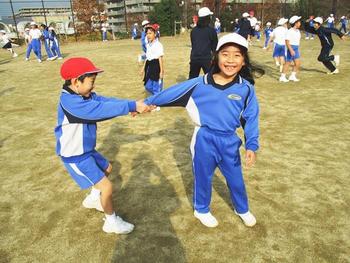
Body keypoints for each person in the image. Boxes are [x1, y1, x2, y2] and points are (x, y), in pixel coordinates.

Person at [144, 33, 263, 228]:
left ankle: (242, 208)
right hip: (204, 140)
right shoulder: (199, 84)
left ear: (243, 61)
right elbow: (170, 94)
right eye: (225, 54)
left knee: (236, 179)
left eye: (237, 55)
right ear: (216, 57)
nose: (230, 60)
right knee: (203, 176)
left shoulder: (246, 89)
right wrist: (147, 103)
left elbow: (251, 118)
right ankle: (201, 209)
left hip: (229, 142)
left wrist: (252, 145)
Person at [55, 57, 153, 234]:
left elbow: (106, 102)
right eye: (91, 82)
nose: (93, 86)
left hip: (86, 151)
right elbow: (99, 111)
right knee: (106, 187)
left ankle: (93, 198)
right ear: (76, 81)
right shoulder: (71, 103)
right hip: (75, 156)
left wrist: (132, 105)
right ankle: (111, 222)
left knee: (107, 167)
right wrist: (131, 106)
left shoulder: (83, 94)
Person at [189, 7, 217, 79]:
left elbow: (193, 44)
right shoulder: (211, 31)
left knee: (192, 79)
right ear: (207, 18)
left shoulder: (193, 31)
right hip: (206, 58)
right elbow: (215, 47)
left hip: (194, 58)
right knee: (211, 79)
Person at [141, 24, 164, 95]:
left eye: (150, 33)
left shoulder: (158, 45)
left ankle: (157, 104)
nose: (148, 35)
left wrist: (161, 71)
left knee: (156, 88)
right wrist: (143, 68)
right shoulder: (148, 45)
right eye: (147, 33)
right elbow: (147, 58)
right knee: (147, 86)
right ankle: (157, 96)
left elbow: (160, 58)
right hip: (149, 67)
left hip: (156, 66)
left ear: (155, 34)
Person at [280, 16, 302, 82]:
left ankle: (292, 76)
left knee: (297, 63)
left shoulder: (298, 31)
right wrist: (291, 50)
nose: (300, 23)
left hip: (296, 48)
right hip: (291, 48)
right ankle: (282, 77)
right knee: (288, 63)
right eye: (299, 22)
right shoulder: (290, 31)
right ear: (295, 23)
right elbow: (287, 41)